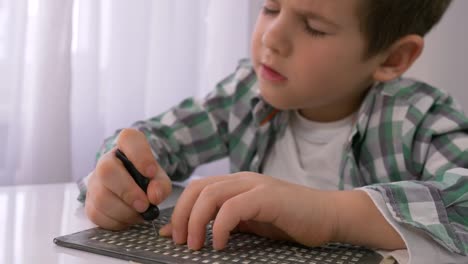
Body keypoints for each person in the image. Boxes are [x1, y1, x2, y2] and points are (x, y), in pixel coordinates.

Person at [78, 0, 468, 263]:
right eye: (271, 7)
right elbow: (153, 141)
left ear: (392, 58)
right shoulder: (247, 93)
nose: (271, 37)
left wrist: (328, 214)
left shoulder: (417, 116)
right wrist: (120, 174)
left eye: (314, 27)